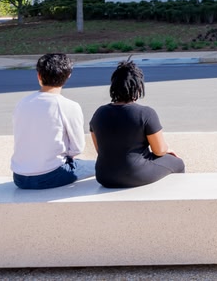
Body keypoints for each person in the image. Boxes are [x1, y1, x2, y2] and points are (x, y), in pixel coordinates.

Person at [90, 59, 186, 188]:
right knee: (177, 163)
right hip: (136, 174)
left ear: (113, 87)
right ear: (138, 87)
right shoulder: (145, 113)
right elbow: (159, 151)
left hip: (104, 176)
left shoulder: (99, 113)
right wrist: (168, 150)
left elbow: (100, 150)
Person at [11, 53, 94, 189]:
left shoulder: (22, 103)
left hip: (19, 178)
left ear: (39, 76)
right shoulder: (70, 106)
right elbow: (77, 148)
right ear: (68, 76)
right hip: (51, 175)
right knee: (98, 165)